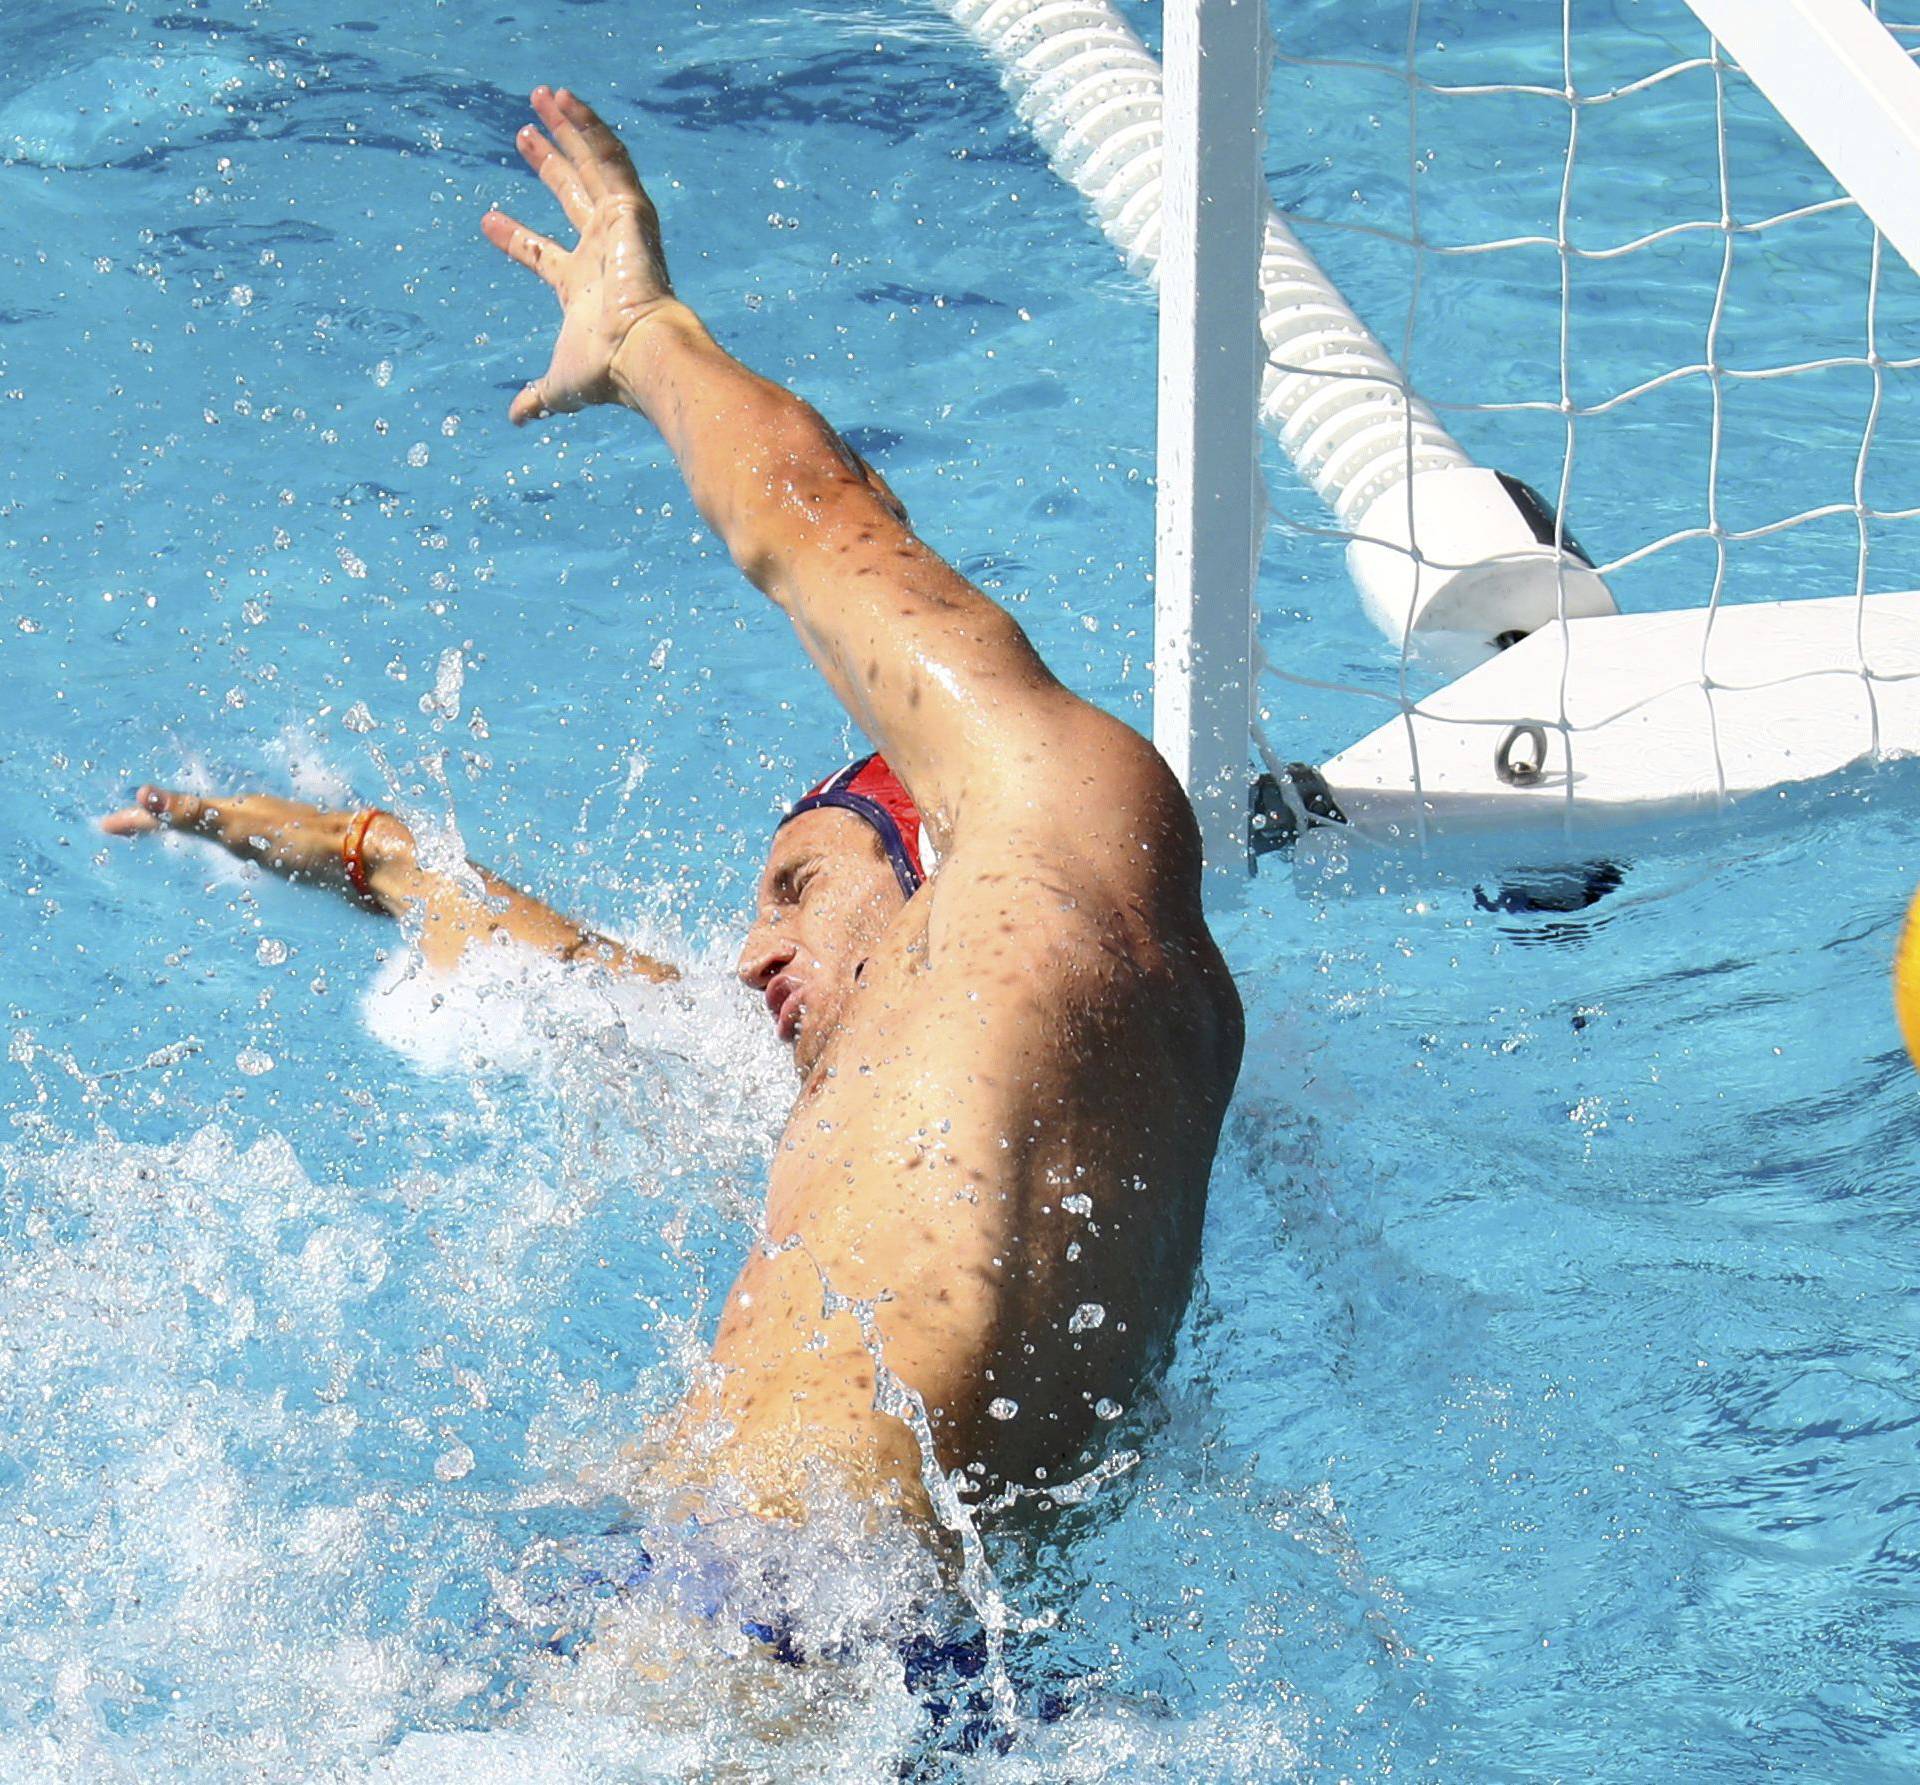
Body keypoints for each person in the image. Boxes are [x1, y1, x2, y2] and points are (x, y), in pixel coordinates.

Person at [105, 87, 1243, 1545]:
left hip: (754, 1637)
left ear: (926, 861)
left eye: (792, 883)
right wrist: (366, 854)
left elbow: (827, 525)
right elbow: (572, 980)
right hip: (905, 1672)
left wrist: (643, 335)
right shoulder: (957, 1081)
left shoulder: (1047, 829)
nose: (752, 945)